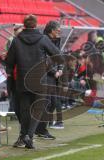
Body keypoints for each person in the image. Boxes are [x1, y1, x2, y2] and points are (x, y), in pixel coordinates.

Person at [6, 15, 61, 149]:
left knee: (24, 109)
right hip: (39, 79)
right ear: (36, 25)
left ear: (24, 25)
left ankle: (24, 136)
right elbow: (57, 55)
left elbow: (9, 62)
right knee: (38, 108)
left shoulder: (16, 40)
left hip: (22, 79)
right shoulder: (43, 39)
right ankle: (28, 135)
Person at [35, 21, 64, 135]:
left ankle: (41, 128)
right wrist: (53, 72)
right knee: (47, 102)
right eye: (58, 29)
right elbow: (43, 59)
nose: (59, 31)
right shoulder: (43, 40)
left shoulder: (56, 40)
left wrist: (60, 69)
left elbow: (59, 56)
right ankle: (40, 129)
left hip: (54, 76)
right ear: (51, 30)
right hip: (45, 75)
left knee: (51, 103)